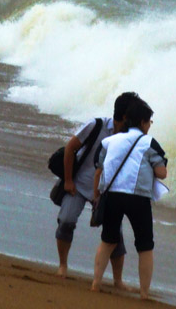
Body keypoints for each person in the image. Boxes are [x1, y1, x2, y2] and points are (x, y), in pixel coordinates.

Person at [91, 94, 167, 300]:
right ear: (142, 122)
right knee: (145, 245)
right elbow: (162, 173)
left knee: (108, 240)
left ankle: (96, 283)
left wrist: (97, 194)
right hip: (138, 198)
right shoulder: (149, 142)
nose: (149, 125)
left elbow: (99, 169)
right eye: (149, 121)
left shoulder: (109, 141)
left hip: (113, 195)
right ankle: (144, 293)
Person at [54, 94, 133, 282]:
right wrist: (67, 181)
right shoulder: (96, 126)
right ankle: (63, 265)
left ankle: (118, 281)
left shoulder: (130, 137)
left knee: (115, 237)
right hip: (80, 185)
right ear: (124, 116)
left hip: (107, 192)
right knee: (66, 220)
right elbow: (70, 148)